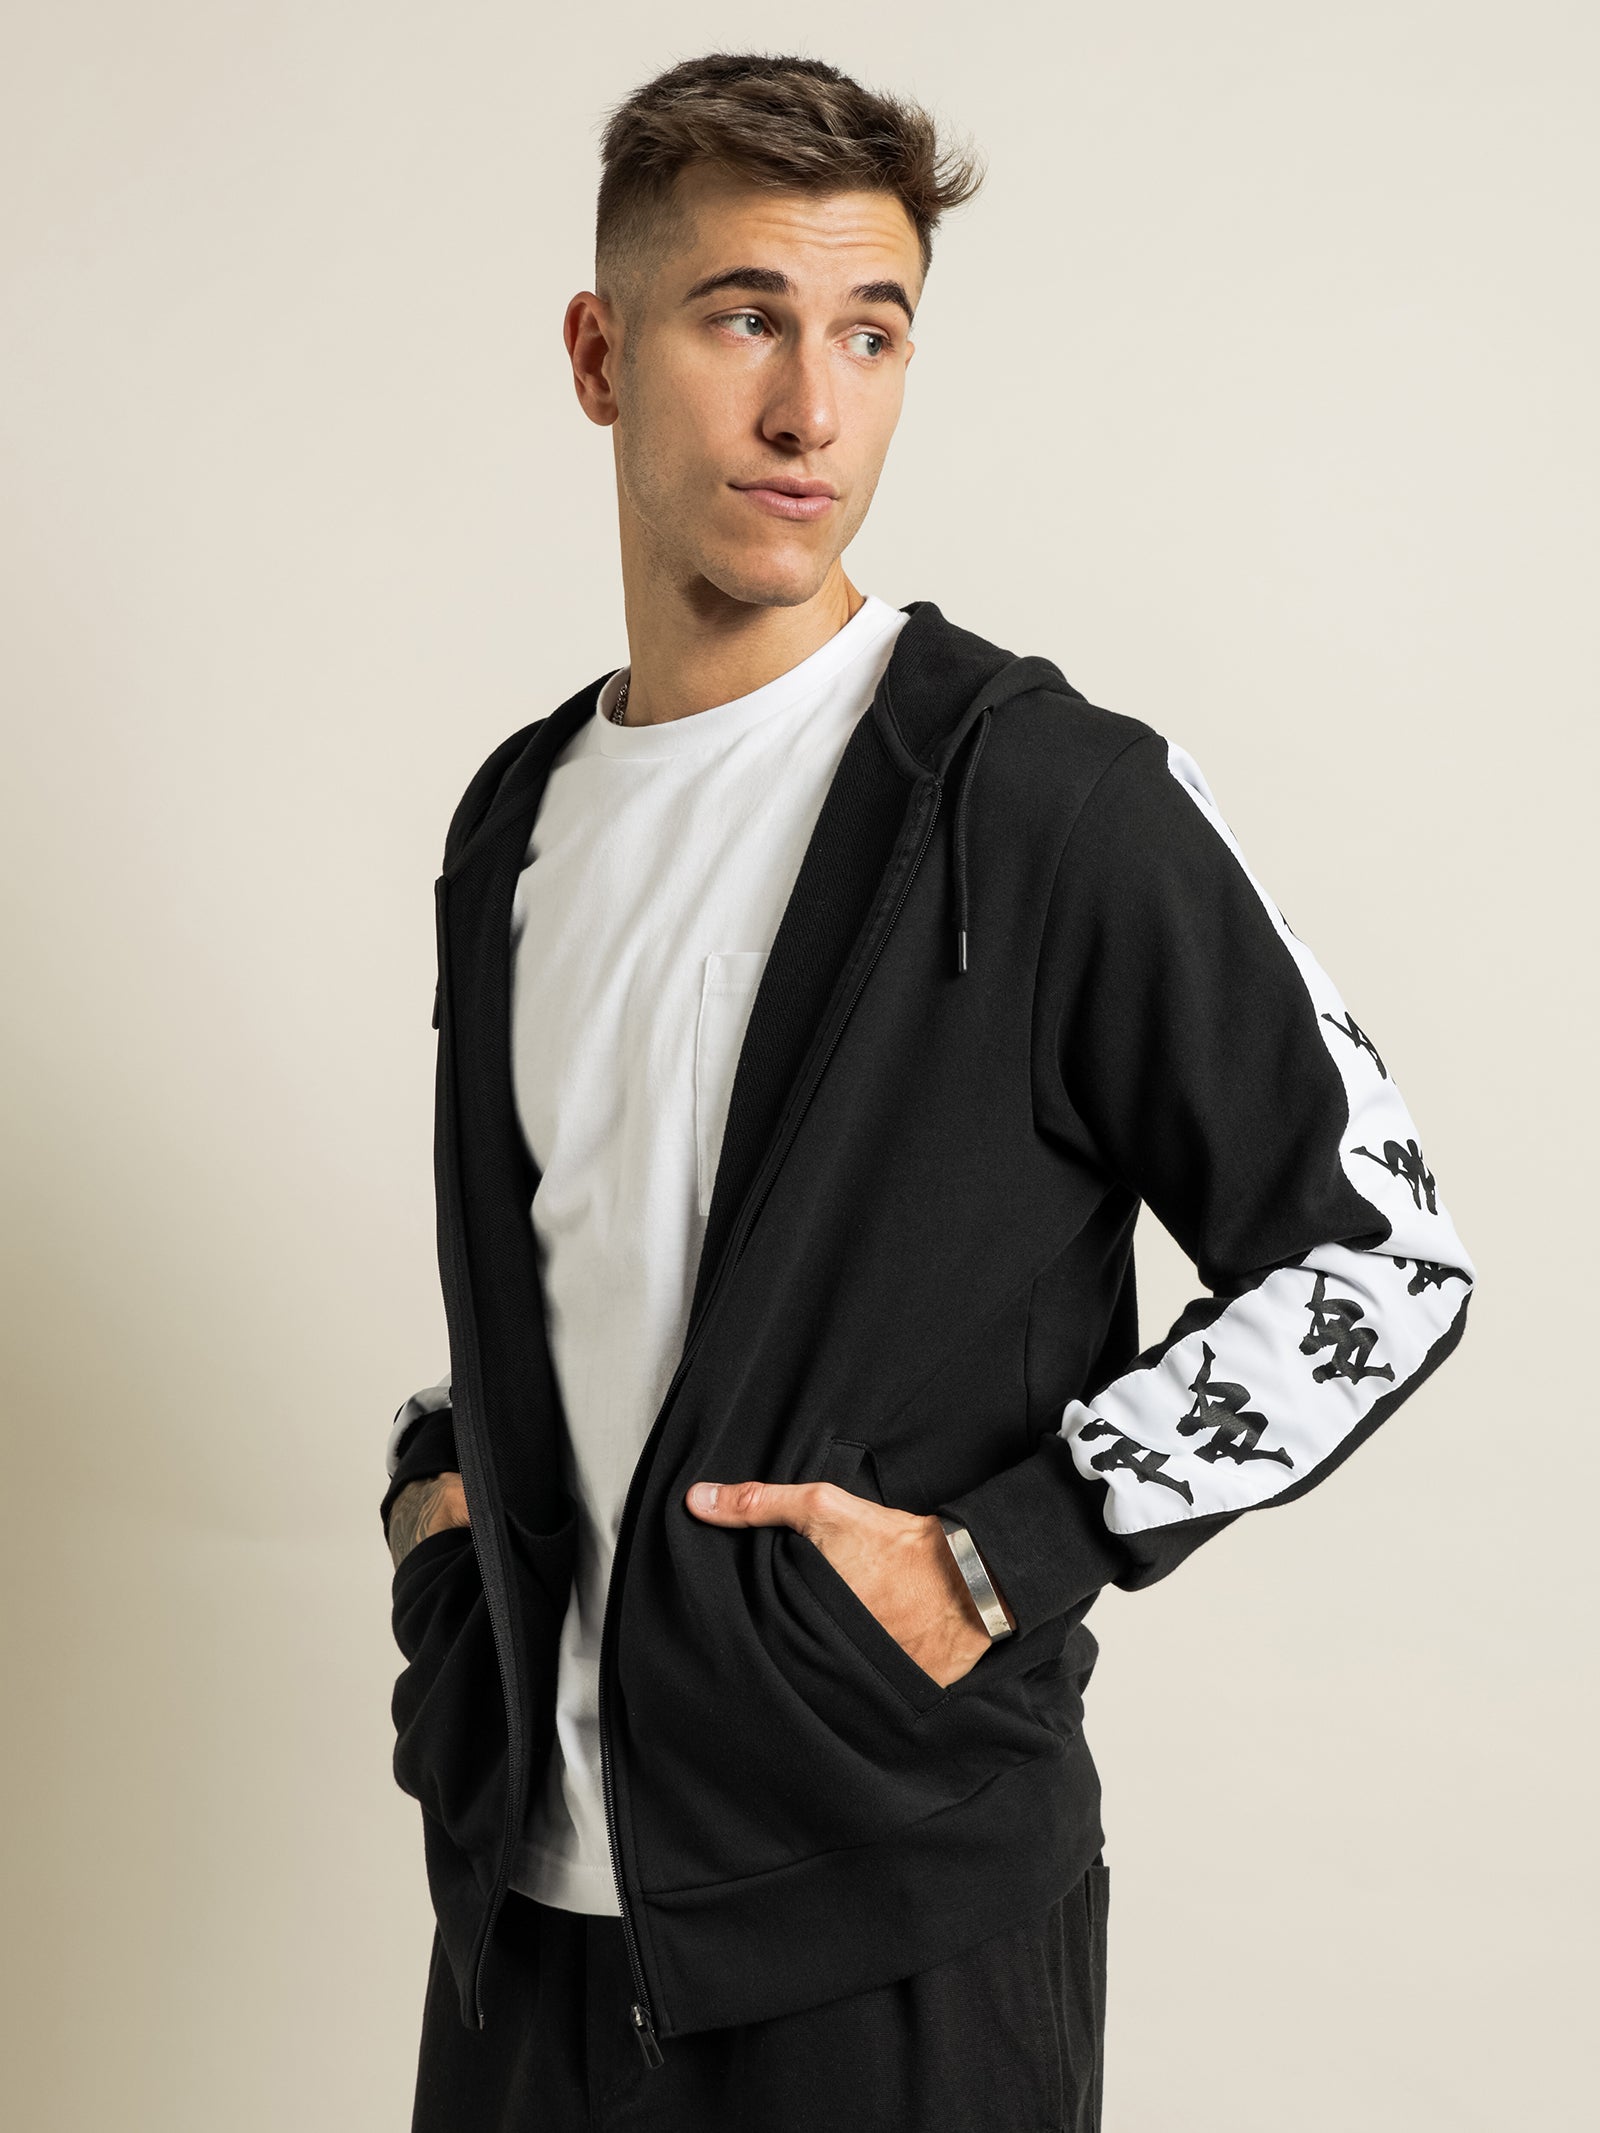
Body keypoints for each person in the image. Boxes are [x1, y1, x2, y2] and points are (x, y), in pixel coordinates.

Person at [378, 51, 1476, 2133]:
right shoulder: (512, 819)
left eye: (869, 334)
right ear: (599, 354)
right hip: (526, 1919)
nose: (812, 409)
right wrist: (439, 1512)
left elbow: (1386, 1261)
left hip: (895, 1922)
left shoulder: (1042, 798)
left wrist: (1007, 1550)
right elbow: (577, 1276)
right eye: (744, 320)